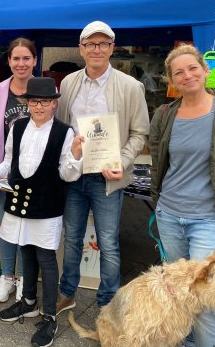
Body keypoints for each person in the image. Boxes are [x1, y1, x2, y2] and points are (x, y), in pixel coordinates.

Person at [149, 44, 215, 347]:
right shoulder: (165, 114)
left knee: (208, 302)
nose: (187, 76)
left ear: (205, 69)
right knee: (179, 295)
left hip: (209, 219)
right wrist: (158, 204)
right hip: (169, 215)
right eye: (178, 72)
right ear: (171, 80)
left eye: (192, 68)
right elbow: (159, 161)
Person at [0, 77, 84, 347]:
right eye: (34, 101)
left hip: (47, 204)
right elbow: (8, 161)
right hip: (18, 199)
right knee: (24, 248)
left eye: (46, 101)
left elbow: (67, 174)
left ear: (54, 104)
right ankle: (28, 302)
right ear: (27, 103)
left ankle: (50, 315)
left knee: (46, 258)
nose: (40, 106)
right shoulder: (17, 126)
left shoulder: (65, 132)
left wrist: (74, 156)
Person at [55, 21, 150, 311]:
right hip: (75, 176)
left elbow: (139, 133)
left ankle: (108, 303)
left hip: (107, 178)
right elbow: (62, 128)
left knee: (108, 242)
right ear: (81, 49)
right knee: (71, 238)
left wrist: (122, 161)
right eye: (91, 44)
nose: (97, 50)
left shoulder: (131, 86)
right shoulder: (69, 83)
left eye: (103, 44)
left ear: (112, 47)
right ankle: (67, 292)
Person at [0, 37, 39, 302]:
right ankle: (7, 278)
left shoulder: (47, 89)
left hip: (35, 172)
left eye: (26, 58)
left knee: (28, 227)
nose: (21, 63)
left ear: (35, 60)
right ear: (9, 61)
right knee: (7, 225)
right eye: (16, 58)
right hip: (4, 172)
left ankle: (25, 277)